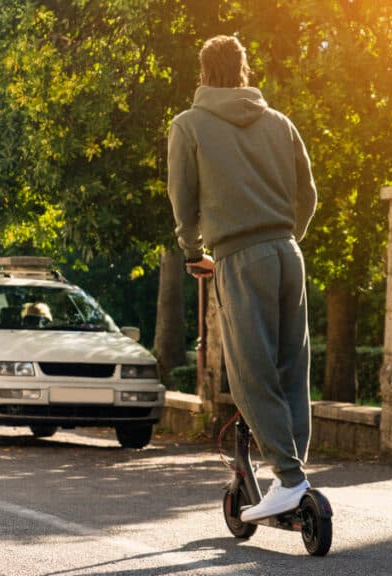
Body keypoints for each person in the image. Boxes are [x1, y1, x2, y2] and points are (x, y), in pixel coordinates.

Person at [167, 35, 318, 522]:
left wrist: (194, 252)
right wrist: (286, 238)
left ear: (204, 73)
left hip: (237, 256)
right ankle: (289, 474)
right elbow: (308, 192)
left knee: (251, 373)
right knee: (292, 367)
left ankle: (291, 480)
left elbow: (182, 199)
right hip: (287, 253)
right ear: (244, 69)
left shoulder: (188, 126)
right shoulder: (281, 123)